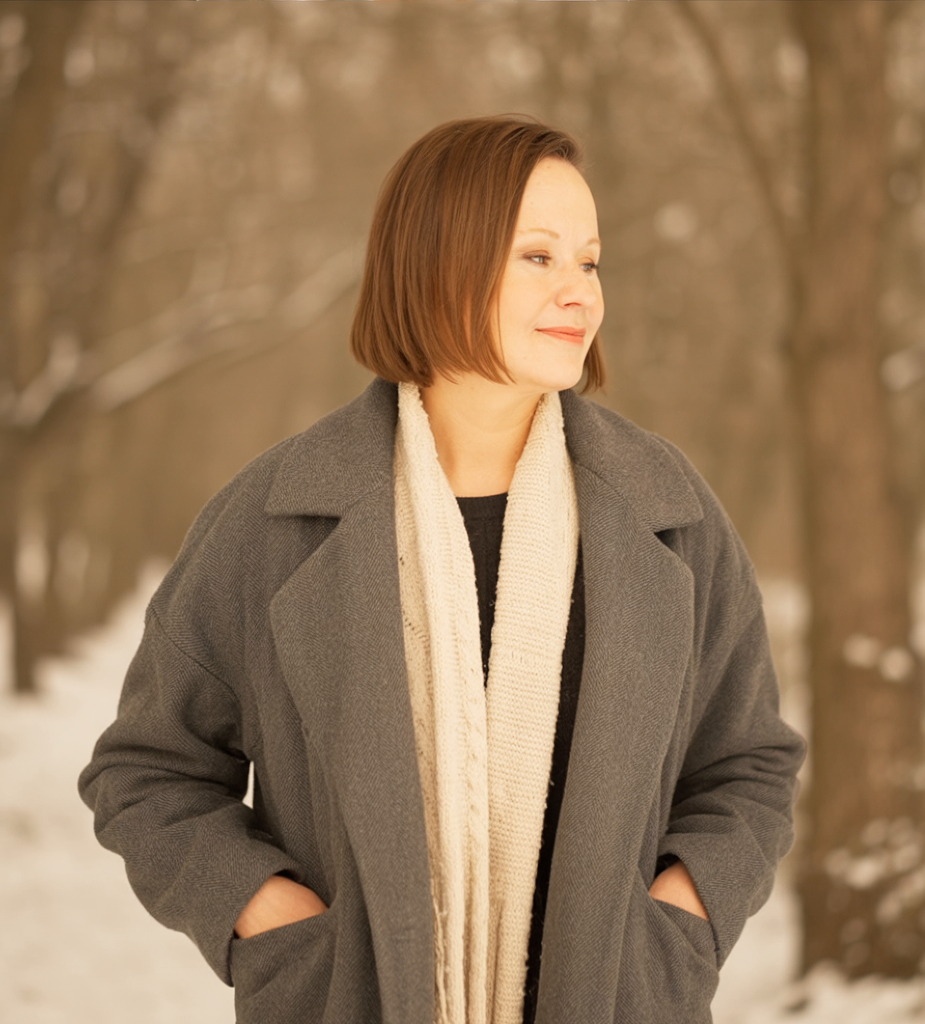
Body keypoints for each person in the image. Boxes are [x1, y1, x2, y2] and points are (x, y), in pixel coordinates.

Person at [79, 115, 805, 1024]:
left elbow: (748, 764)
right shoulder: (273, 519)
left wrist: (679, 922)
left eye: (591, 261)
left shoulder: (669, 514)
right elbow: (148, 770)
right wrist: (268, 915)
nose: (580, 292)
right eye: (538, 257)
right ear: (437, 262)